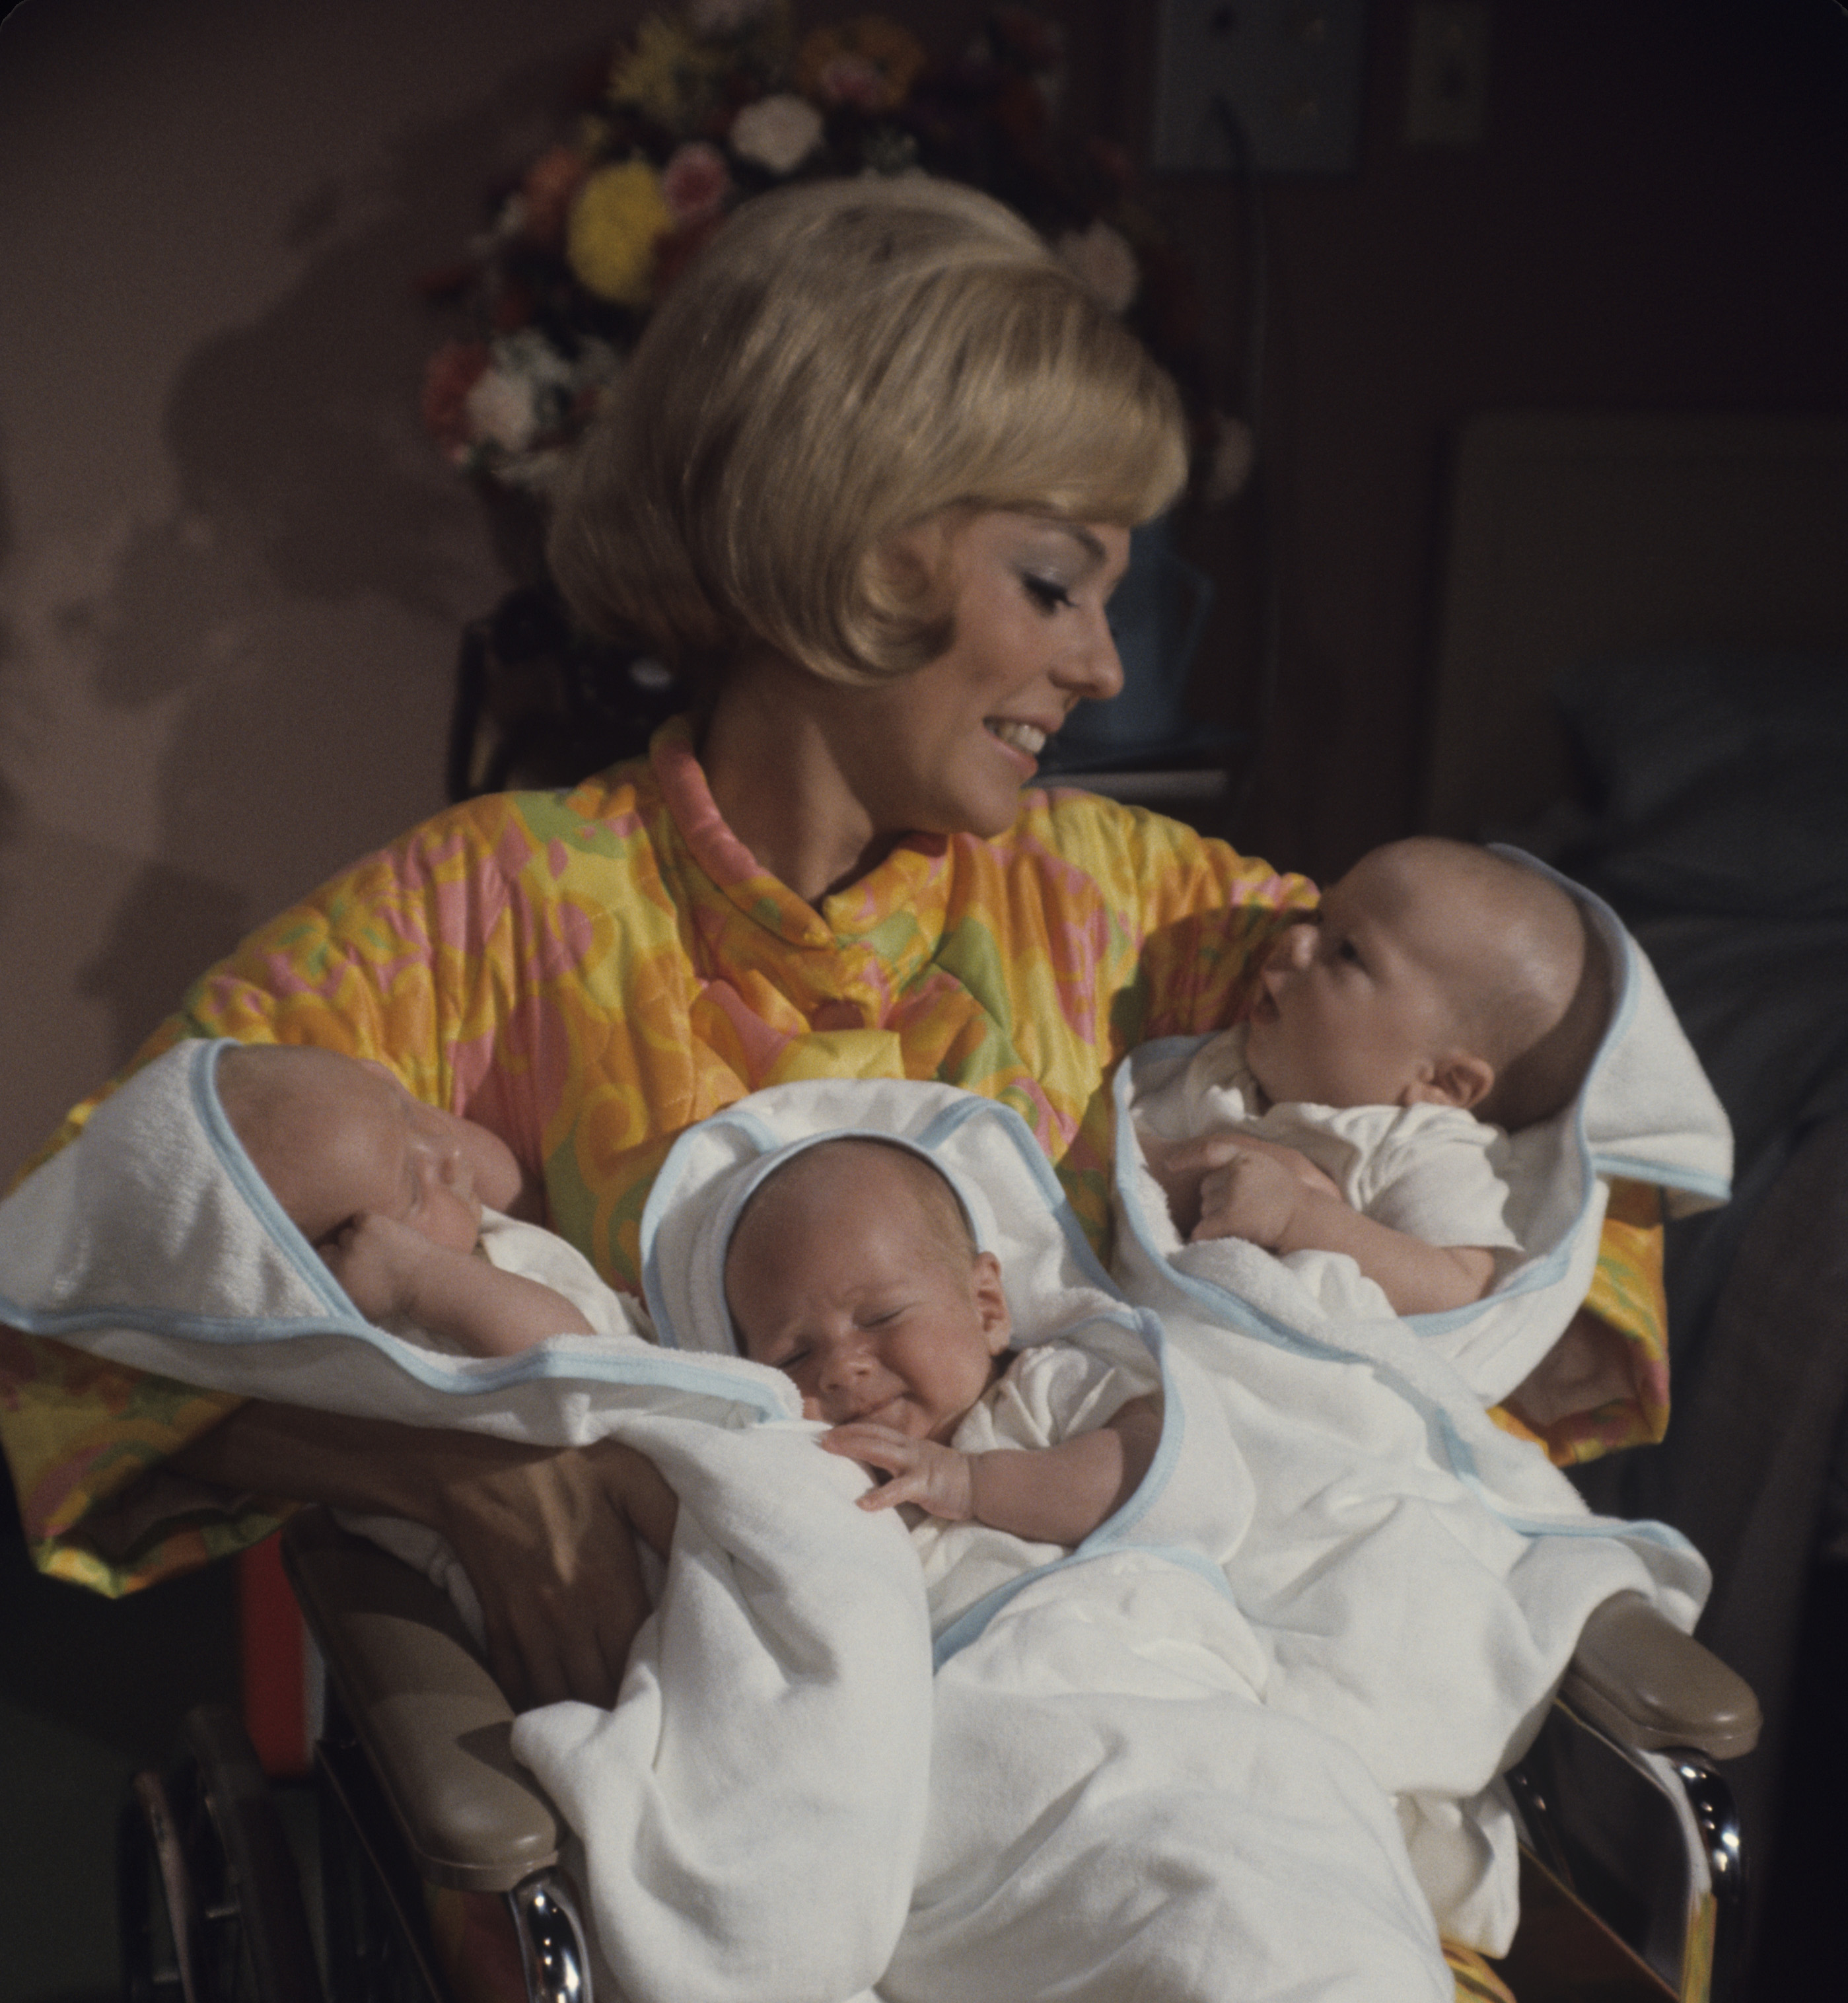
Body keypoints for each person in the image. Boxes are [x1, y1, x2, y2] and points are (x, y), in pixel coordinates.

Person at [0, 175, 1664, 1714]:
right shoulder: (490, 912)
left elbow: (1570, 1159)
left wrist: (1340, 1260)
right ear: (853, 544)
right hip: (707, 1759)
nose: (1099, 667)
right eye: (1051, 584)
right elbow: (72, 1302)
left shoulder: (1161, 921)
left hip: (1142, 1709)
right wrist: (461, 1472)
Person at [1138, 838, 1604, 1316]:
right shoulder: (1228, 1063)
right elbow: (1113, 1155)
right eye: (1319, 917)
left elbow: (1460, 1286)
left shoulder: (1419, 1147)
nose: (1295, 941)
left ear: (1444, 1083)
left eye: (1347, 953)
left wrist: (1301, 1217)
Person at [723, 1135, 1161, 1543]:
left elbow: (1155, 1475)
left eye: (881, 1316)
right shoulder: (820, 1494)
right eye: (793, 1357)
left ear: (986, 1308)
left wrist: (971, 1483)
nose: (840, 1368)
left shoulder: (1044, 1388)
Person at [214, 1041, 635, 1353]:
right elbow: (578, 1362)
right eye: (415, 1187)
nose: (448, 1153)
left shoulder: (444, 1220)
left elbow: (520, 1194)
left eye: (410, 1122)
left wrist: (406, 1107)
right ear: (345, 1264)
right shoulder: (422, 1330)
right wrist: (419, 1279)